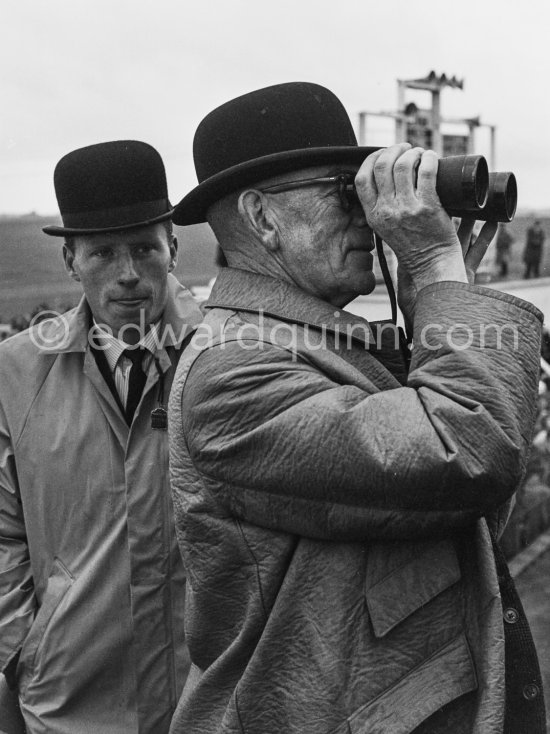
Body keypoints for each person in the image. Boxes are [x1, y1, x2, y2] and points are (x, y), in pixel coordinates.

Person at [167, 83, 546, 734]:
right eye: (346, 192)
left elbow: (470, 508)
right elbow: (472, 456)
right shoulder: (234, 371)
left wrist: (439, 298)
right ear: (262, 218)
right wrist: (434, 267)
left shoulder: (317, 340)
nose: (369, 216)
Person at [0, 140, 202, 733]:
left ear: (174, 245)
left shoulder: (224, 359)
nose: (128, 276)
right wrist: (23, 655)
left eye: (145, 248)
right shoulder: (13, 373)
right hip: (71, 705)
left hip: (211, 698)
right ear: (69, 260)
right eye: (103, 254)